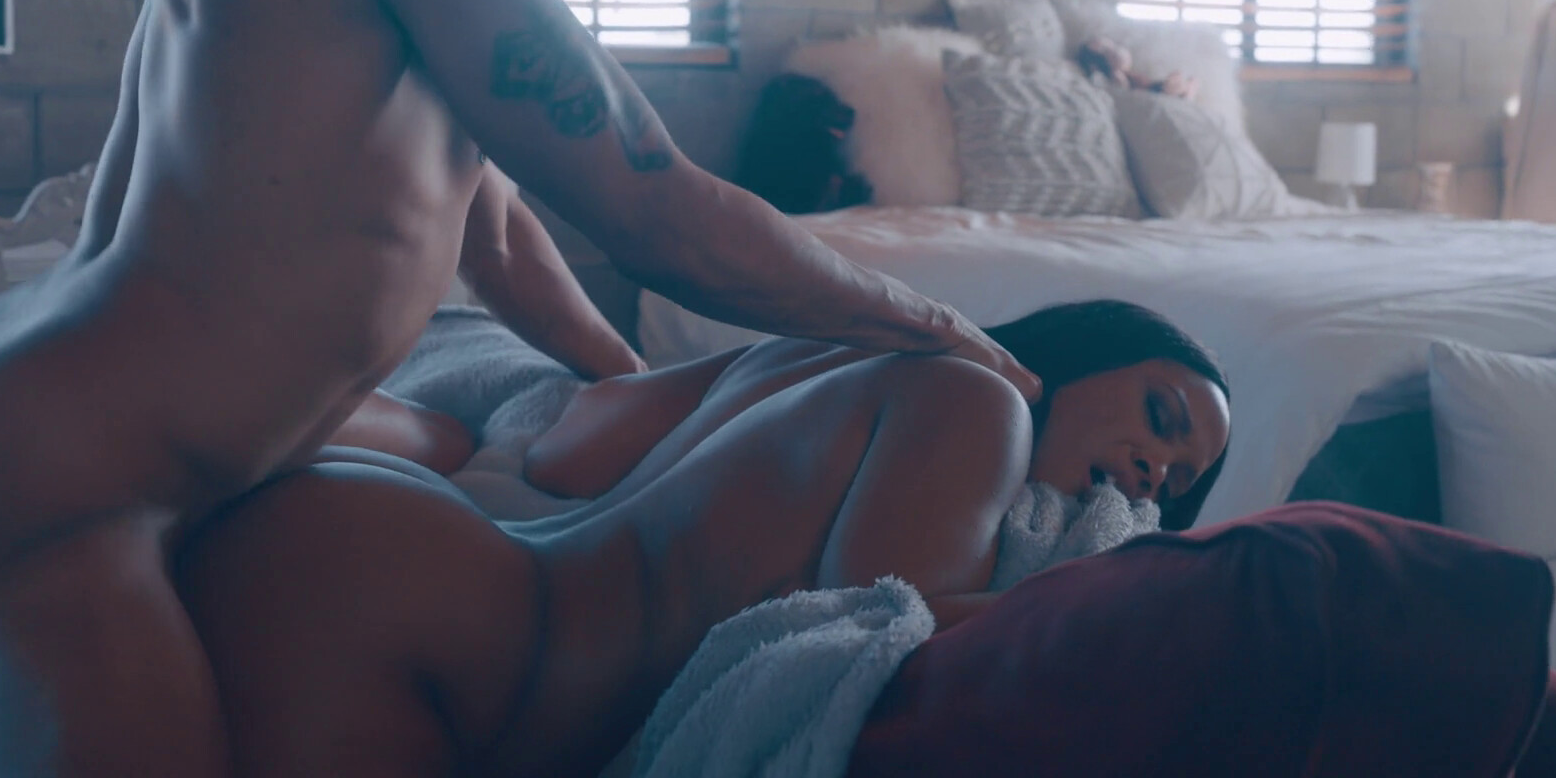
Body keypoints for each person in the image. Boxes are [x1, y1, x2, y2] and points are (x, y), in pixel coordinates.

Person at [0, 0, 1040, 778]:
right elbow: (649, 203)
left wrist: (620, 387)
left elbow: (493, 228)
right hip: (37, 493)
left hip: (48, 458)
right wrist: (930, 322)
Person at [522, 300, 1230, 532]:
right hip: (569, 428)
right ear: (1084, 355)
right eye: (1158, 415)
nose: (1155, 471)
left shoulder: (1006, 506)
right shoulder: (949, 389)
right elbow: (566, 461)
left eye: (1175, 484)